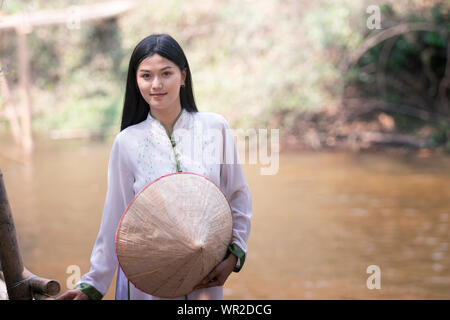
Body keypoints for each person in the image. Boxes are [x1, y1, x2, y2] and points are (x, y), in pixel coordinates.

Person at [57, 34, 252, 300]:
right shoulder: (126, 142)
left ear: (183, 76)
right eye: (146, 76)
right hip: (147, 282)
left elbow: (237, 196)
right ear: (136, 81)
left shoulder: (215, 128)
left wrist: (233, 256)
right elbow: (116, 219)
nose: (156, 84)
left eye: (166, 73)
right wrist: (93, 285)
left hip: (205, 275)